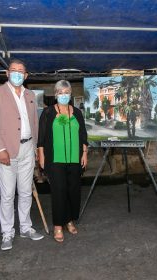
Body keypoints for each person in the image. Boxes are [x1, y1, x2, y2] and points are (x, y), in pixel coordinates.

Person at [0, 59, 44, 251]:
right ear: (7, 73)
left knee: (26, 192)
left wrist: (35, 148)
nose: (18, 74)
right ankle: (7, 232)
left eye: (21, 71)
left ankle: (25, 228)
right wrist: (0, 149)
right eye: (14, 70)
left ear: (26, 76)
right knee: (8, 194)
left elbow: (34, 121)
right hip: (7, 151)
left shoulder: (30, 94)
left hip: (28, 148)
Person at [38, 80, 88, 243]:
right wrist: (42, 157)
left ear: (70, 94)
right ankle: (58, 225)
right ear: (55, 94)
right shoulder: (48, 113)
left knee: (73, 191)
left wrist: (84, 153)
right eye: (60, 92)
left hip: (75, 159)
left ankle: (69, 220)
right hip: (55, 160)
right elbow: (41, 138)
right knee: (59, 192)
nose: (64, 95)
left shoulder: (77, 113)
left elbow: (83, 135)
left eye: (66, 92)